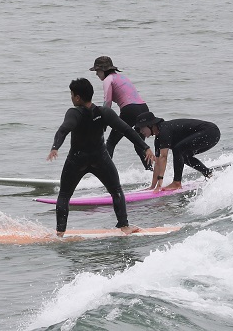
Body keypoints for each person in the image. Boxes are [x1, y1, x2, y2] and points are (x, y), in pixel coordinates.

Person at [47, 78, 156, 237]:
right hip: (100, 158)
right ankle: (124, 226)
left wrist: (55, 147)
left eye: (72, 94)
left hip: (77, 159)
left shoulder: (73, 112)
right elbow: (126, 130)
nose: (71, 97)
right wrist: (145, 147)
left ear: (77, 97)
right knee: (116, 191)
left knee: (64, 195)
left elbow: (64, 129)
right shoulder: (104, 112)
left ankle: (60, 233)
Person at [89, 56, 153, 170]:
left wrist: (103, 121)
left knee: (111, 142)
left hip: (130, 110)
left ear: (103, 70)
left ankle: (104, 171)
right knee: (139, 145)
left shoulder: (108, 80)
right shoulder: (121, 77)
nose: (96, 74)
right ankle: (150, 172)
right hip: (143, 108)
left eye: (97, 71)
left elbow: (107, 103)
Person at [135, 112, 220, 192]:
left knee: (178, 149)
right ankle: (209, 174)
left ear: (150, 125)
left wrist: (160, 182)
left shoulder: (164, 130)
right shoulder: (158, 139)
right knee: (184, 156)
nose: (141, 131)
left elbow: (164, 157)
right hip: (211, 135)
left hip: (210, 131)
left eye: (142, 128)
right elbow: (157, 163)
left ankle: (176, 182)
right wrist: (153, 186)